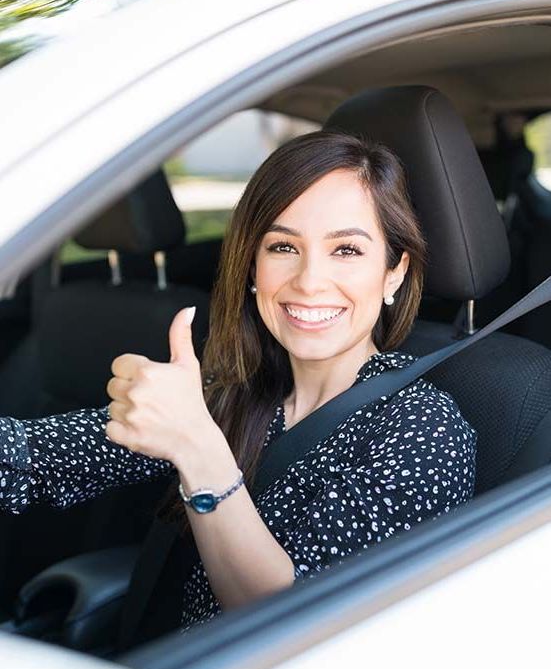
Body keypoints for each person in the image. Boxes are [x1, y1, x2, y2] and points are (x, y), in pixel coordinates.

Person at [0, 130, 477, 638]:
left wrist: (197, 450)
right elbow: (33, 462)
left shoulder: (425, 430)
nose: (309, 280)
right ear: (252, 268)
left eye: (346, 250)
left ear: (393, 274)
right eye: (283, 246)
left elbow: (294, 628)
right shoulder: (233, 391)